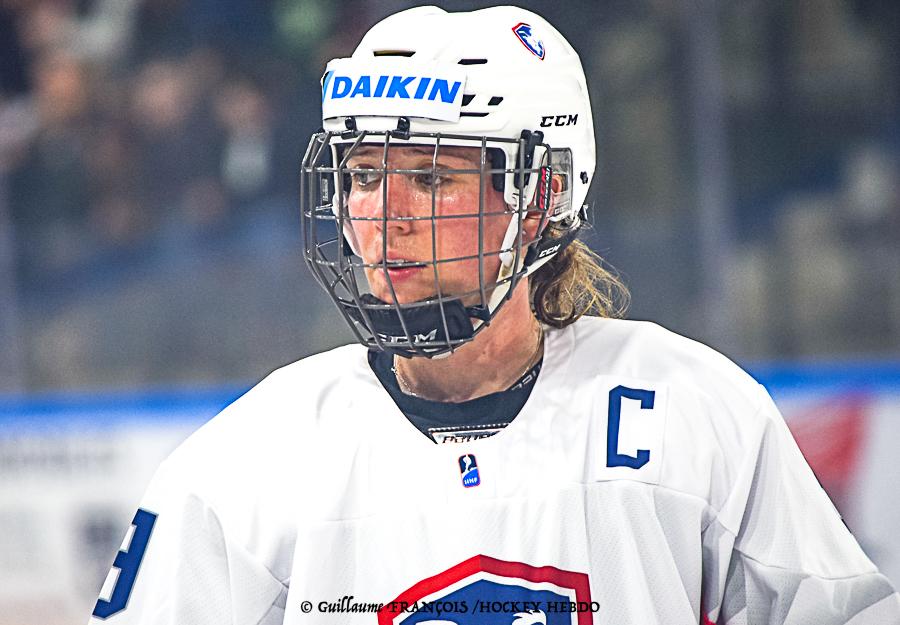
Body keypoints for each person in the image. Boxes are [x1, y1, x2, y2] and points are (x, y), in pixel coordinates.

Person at [89, 6, 900, 625]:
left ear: (541, 196)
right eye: (364, 175)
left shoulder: (693, 414)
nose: (383, 216)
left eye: (431, 179)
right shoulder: (248, 461)